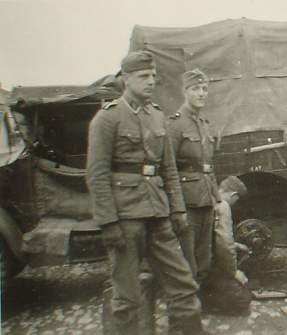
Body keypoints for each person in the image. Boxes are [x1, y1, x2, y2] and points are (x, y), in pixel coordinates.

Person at [86, 51, 211, 335]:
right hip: (125, 217)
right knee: (127, 298)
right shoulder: (107, 119)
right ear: (126, 78)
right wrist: (108, 222)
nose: (151, 81)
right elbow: (97, 174)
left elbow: (168, 169)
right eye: (143, 76)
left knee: (183, 286)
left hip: (158, 214)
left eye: (153, 75)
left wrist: (178, 210)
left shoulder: (157, 116)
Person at [166, 68, 220, 287]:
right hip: (186, 203)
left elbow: (208, 166)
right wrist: (176, 208)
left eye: (204, 88)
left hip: (206, 200)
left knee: (204, 259)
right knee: (186, 263)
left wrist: (216, 198)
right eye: (195, 88)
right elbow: (167, 168)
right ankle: (186, 311)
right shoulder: (176, 124)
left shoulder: (205, 124)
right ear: (185, 91)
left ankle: (198, 308)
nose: (201, 93)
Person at [200, 176, 252, 315]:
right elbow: (224, 244)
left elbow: (209, 237)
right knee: (243, 300)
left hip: (194, 261)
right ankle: (206, 301)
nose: (235, 204)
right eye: (237, 200)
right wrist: (234, 271)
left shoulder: (206, 197)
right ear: (234, 195)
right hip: (204, 265)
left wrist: (235, 245)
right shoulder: (222, 205)